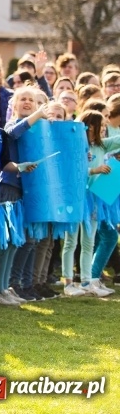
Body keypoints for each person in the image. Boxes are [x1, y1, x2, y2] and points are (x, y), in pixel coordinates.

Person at [0, 87, 46, 305]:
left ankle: (6, 288)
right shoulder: (11, 124)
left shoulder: (36, 129)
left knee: (16, 241)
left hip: (25, 191)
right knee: (6, 241)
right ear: (14, 104)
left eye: (31, 100)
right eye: (23, 98)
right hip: (8, 188)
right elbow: (13, 134)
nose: (27, 102)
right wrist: (38, 114)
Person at [63, 110, 120, 297]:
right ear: (89, 127)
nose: (103, 130)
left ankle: (87, 281)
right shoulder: (75, 147)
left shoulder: (102, 146)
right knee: (71, 241)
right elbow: (72, 172)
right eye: (100, 126)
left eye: (105, 127)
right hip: (76, 198)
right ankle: (68, 282)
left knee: (89, 241)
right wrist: (94, 170)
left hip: (94, 200)